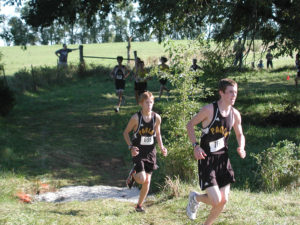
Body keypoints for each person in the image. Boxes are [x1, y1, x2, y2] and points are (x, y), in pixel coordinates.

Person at [186, 78, 246, 224]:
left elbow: (240, 134)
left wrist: (241, 146)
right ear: (221, 93)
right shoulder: (209, 110)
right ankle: (195, 198)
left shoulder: (235, 114)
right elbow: (190, 125)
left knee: (223, 201)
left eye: (236, 93)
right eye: (230, 92)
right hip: (207, 158)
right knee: (216, 200)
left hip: (223, 160)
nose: (234, 96)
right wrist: (195, 146)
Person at [123, 91, 168, 212]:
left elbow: (158, 133)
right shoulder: (136, 118)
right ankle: (133, 174)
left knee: (147, 181)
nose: (149, 105)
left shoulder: (156, 118)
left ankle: (139, 206)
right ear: (141, 104)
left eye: (151, 102)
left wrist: (162, 147)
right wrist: (130, 147)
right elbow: (125, 133)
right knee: (142, 178)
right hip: (138, 152)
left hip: (151, 152)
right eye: (147, 103)